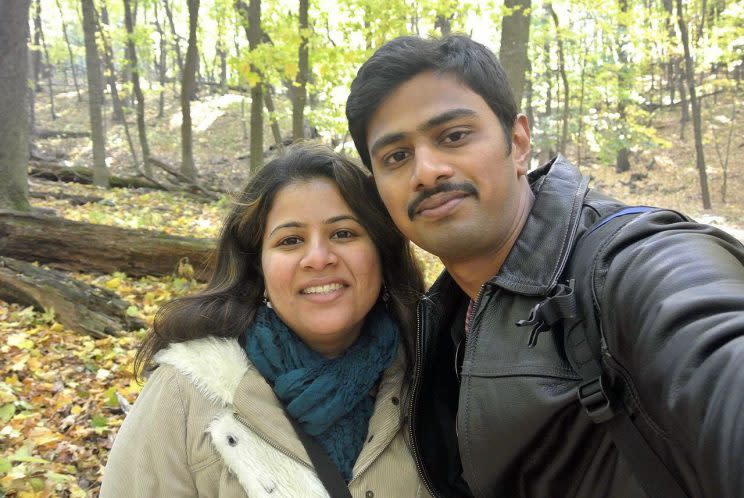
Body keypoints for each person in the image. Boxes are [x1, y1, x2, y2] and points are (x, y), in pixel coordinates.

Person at [345, 35, 744, 498]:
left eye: (453, 136)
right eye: (397, 156)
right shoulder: (440, 317)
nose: (427, 171)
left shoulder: (629, 265)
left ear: (517, 142)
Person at [100, 143, 428, 497]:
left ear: (381, 252)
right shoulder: (185, 392)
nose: (318, 258)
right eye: (290, 240)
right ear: (259, 267)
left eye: (343, 233)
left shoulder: (430, 376)